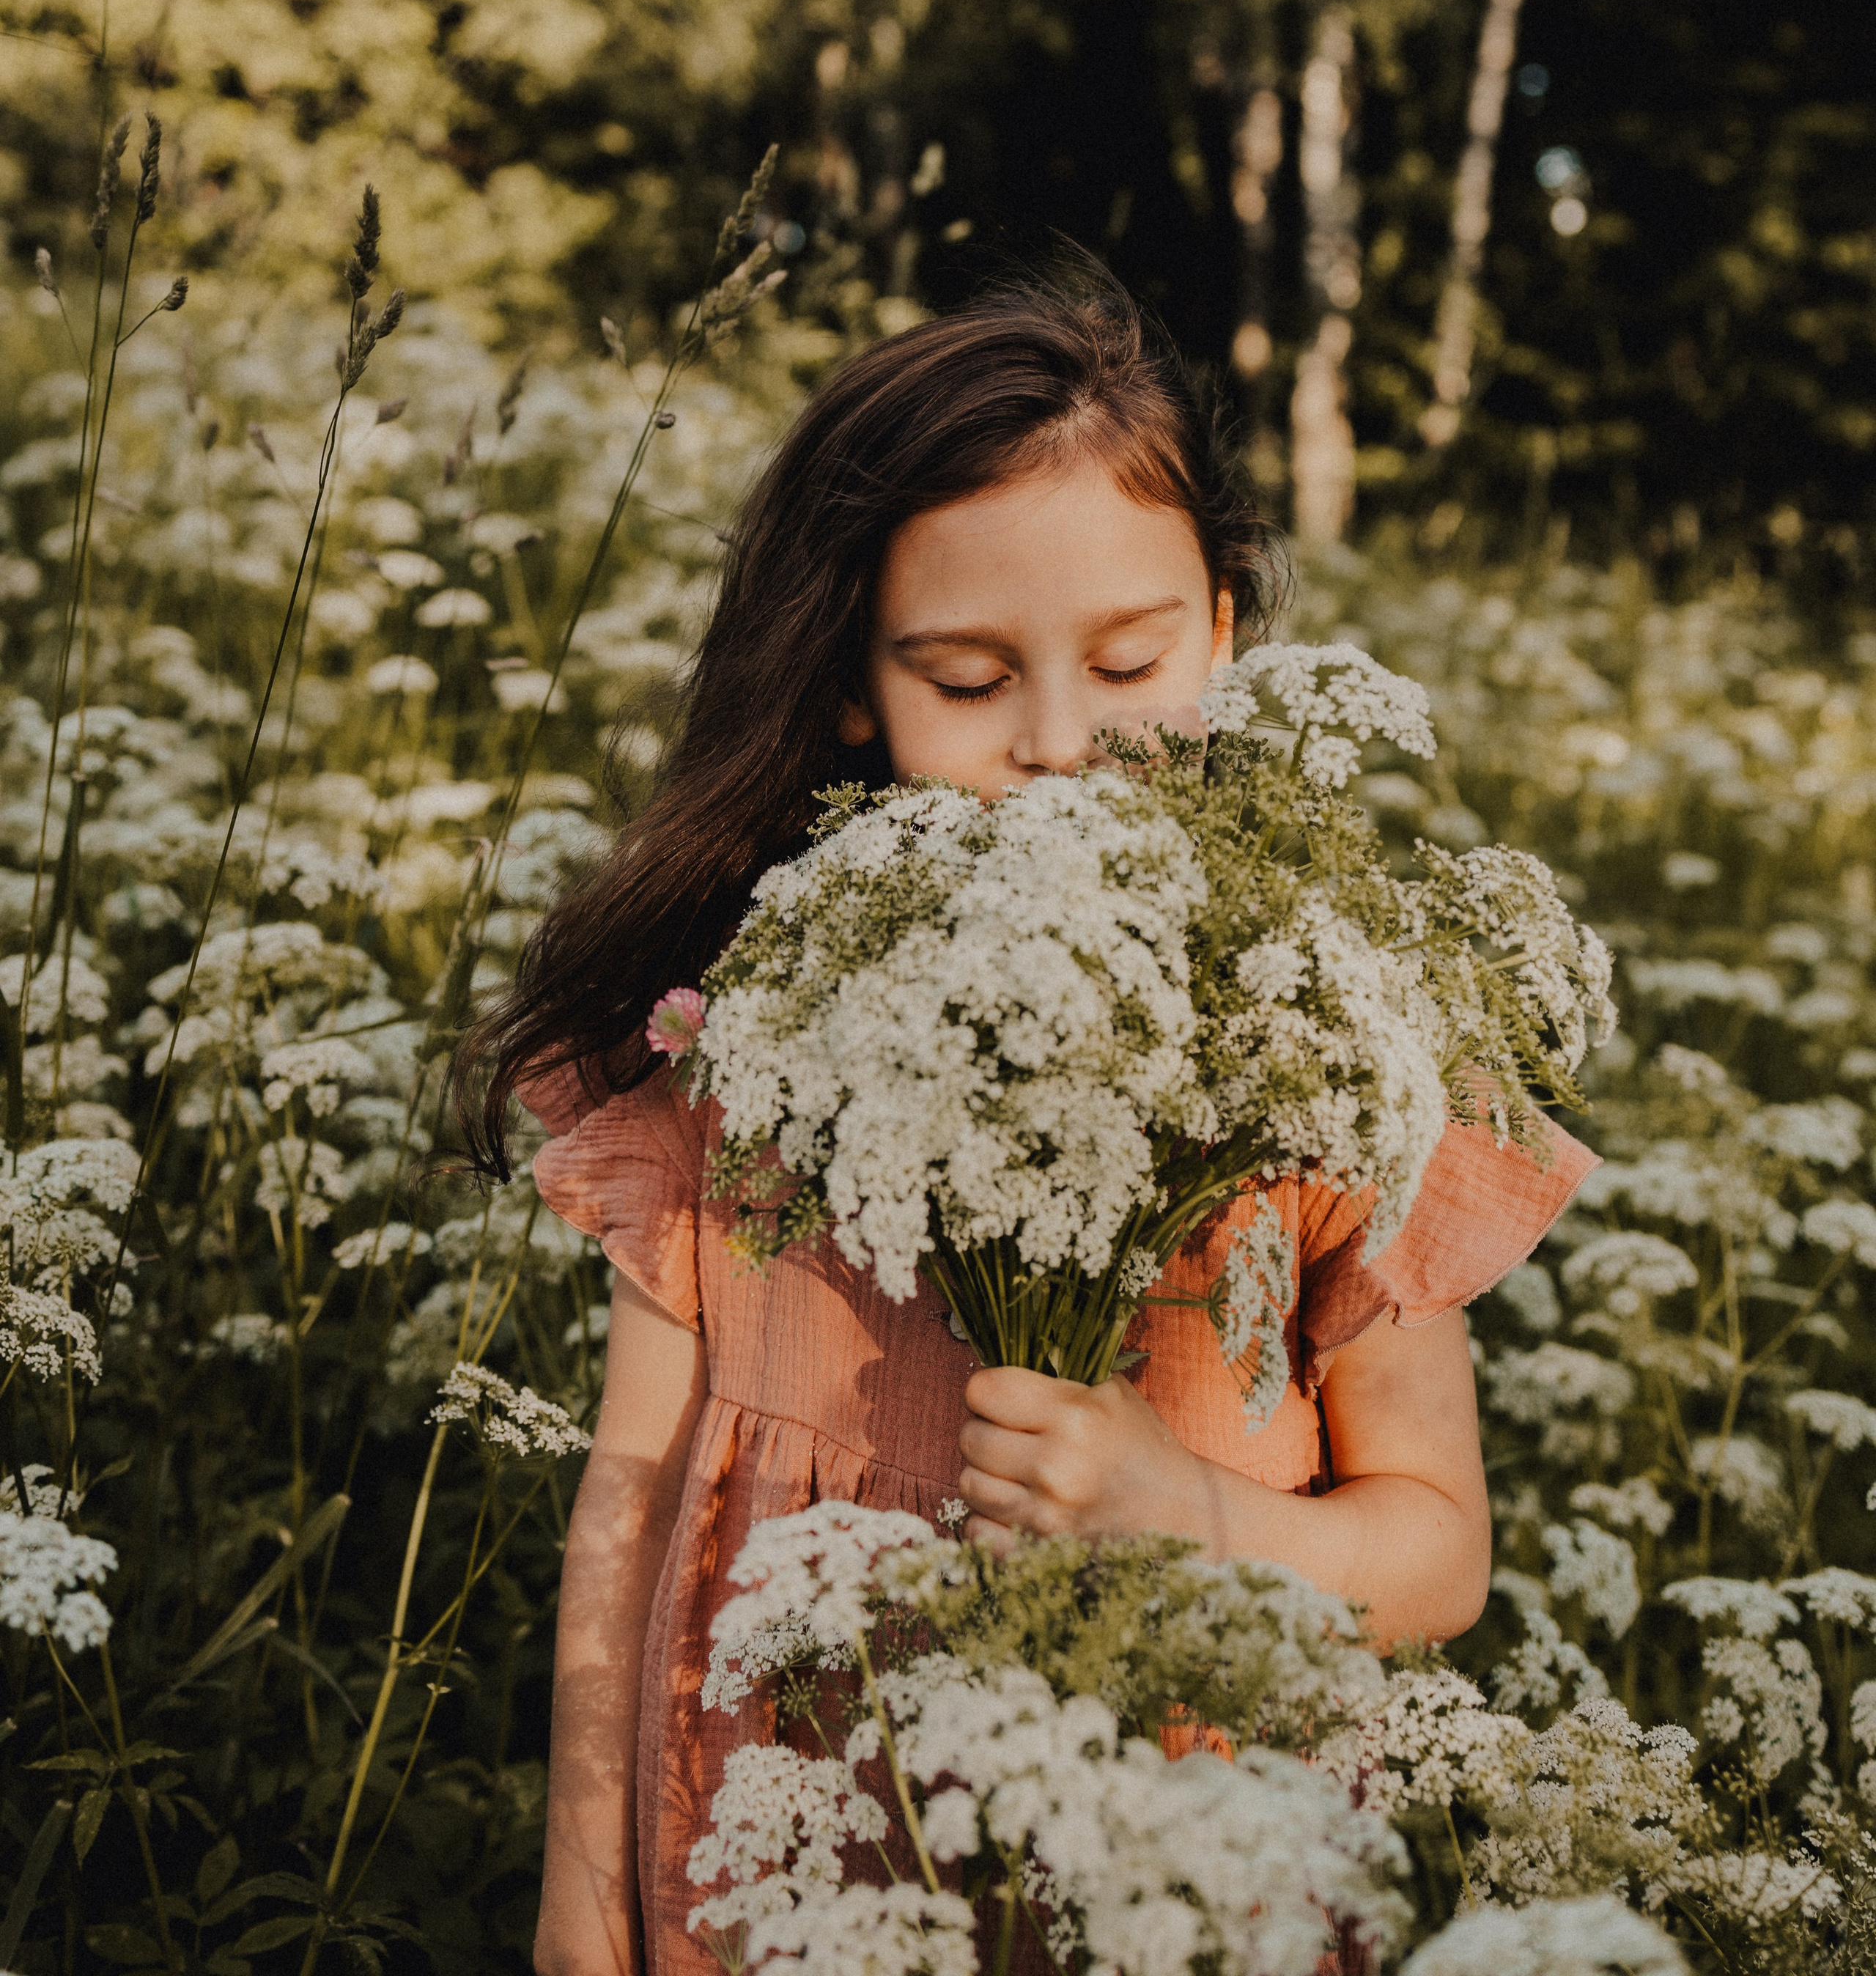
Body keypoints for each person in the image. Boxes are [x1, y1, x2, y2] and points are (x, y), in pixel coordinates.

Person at [454, 271, 1596, 1976]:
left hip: (1181, 1875)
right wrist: (581, 1905)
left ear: (1220, 633)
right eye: (969, 680)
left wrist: (1183, 1515)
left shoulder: (1324, 1067)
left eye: (1127, 661)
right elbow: (625, 1494)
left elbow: (1433, 1558)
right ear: (850, 687)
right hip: (800, 1864)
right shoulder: (737, 1049)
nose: (1061, 745)